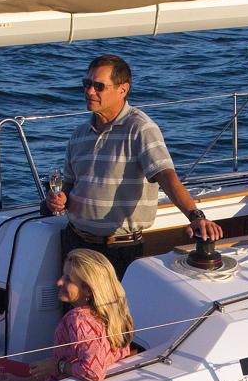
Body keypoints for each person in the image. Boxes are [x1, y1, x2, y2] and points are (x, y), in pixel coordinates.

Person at [44, 54, 224, 277]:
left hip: (119, 250)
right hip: (75, 243)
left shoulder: (140, 128)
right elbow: (70, 186)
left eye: (99, 86)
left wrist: (196, 217)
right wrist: (60, 200)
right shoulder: (79, 134)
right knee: (75, 311)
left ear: (122, 89)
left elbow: (166, 176)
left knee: (113, 312)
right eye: (87, 84)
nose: (90, 91)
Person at [0, 249, 136, 381]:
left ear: (88, 290)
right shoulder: (114, 316)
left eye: (68, 279)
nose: (59, 282)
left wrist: (58, 366)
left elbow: (93, 372)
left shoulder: (79, 319)